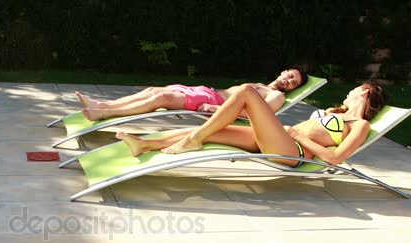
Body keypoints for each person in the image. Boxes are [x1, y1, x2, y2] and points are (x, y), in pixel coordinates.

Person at [116, 82, 386, 168]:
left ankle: (193, 141)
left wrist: (301, 139)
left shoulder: (359, 125)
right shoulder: (333, 111)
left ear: (365, 92)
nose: (349, 93)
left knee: (246, 92)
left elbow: (336, 159)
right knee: (214, 131)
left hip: (294, 151)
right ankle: (144, 144)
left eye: (354, 90)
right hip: (281, 138)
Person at [76, 68, 308, 121]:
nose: (288, 80)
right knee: (154, 90)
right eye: (290, 75)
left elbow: (258, 116)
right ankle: (102, 104)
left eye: (293, 82)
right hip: (207, 91)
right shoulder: (261, 84)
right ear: (283, 71)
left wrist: (218, 110)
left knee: (161, 100)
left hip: (213, 101)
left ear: (292, 88)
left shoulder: (276, 96)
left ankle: (103, 114)